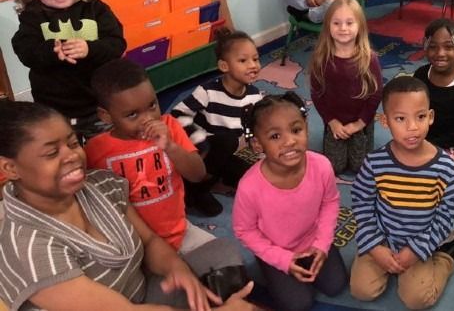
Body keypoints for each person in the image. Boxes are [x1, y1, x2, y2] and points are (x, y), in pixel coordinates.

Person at [0, 100, 257, 311]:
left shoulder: (102, 184)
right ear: (9, 168)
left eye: (72, 143)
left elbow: (149, 241)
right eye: (51, 153)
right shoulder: (29, 247)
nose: (72, 156)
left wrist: (176, 268)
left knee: (222, 253)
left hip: (140, 293)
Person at [350, 76, 454, 310]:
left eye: (420, 117)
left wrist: (417, 249)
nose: (412, 127)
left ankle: (445, 258)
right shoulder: (374, 162)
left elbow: (445, 215)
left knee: (417, 300)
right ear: (385, 121)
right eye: (400, 119)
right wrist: (375, 246)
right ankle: (384, 258)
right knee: (361, 291)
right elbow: (361, 205)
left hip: (420, 241)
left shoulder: (446, 168)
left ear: (430, 117)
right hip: (382, 238)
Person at [232, 92, 347, 311]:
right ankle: (267, 264)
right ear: (257, 144)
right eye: (275, 136)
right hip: (276, 248)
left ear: (306, 127)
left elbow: (330, 202)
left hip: (313, 241)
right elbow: (244, 230)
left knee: (336, 285)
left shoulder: (321, 165)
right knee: (299, 304)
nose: (290, 141)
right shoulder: (250, 187)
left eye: (296, 130)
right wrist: (281, 259)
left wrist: (322, 244)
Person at [85, 59, 211, 253]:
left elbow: (198, 174)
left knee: (229, 265)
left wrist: (171, 146)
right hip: (133, 245)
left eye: (152, 105)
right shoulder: (95, 149)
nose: (148, 120)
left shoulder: (169, 126)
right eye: (132, 115)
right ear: (106, 116)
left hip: (179, 232)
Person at [10, 0, 126, 141]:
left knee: (102, 148)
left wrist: (89, 48)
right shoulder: (33, 16)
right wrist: (51, 51)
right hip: (53, 108)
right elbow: (24, 49)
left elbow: (116, 43)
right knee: (62, 154)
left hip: (97, 104)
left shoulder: (95, 8)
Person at [171, 29, 263, 216]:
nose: (253, 65)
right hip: (204, 152)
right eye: (243, 61)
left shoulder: (255, 95)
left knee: (254, 181)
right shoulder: (207, 92)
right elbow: (176, 115)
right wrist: (200, 140)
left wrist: (253, 138)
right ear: (224, 66)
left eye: (256, 59)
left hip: (227, 152)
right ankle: (195, 189)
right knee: (226, 141)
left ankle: (217, 178)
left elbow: (251, 124)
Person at [309, 0, 382, 176]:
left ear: (360, 26)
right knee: (335, 167)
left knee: (359, 167)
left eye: (349, 23)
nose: (343, 28)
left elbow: (375, 94)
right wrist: (331, 121)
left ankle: (361, 136)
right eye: (336, 23)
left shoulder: (368, 58)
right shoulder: (321, 58)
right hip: (335, 120)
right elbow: (317, 94)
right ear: (328, 26)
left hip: (361, 120)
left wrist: (360, 123)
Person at [413, 18, 454, 175]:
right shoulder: (421, 75)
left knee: (433, 174)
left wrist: (430, 144)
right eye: (433, 47)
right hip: (420, 136)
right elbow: (411, 110)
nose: (440, 53)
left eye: (448, 47)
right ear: (425, 46)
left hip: (450, 143)